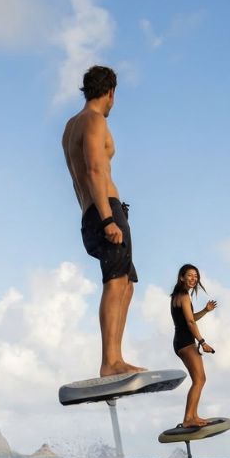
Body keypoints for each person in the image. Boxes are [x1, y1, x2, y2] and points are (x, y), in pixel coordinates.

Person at [62, 65, 144, 377]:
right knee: (115, 281)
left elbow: (77, 180)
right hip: (105, 209)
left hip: (91, 209)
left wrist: (91, 214)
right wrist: (108, 219)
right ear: (110, 93)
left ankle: (116, 357)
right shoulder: (94, 120)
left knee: (126, 283)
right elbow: (96, 169)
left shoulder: (70, 126)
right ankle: (110, 361)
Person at [170, 264, 217, 427]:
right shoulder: (183, 296)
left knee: (199, 379)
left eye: (196, 276)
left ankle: (192, 416)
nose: (193, 279)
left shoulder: (177, 296)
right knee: (199, 380)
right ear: (182, 277)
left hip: (181, 341)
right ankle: (189, 418)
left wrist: (205, 310)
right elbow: (189, 322)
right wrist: (202, 342)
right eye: (190, 275)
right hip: (185, 342)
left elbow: (189, 318)